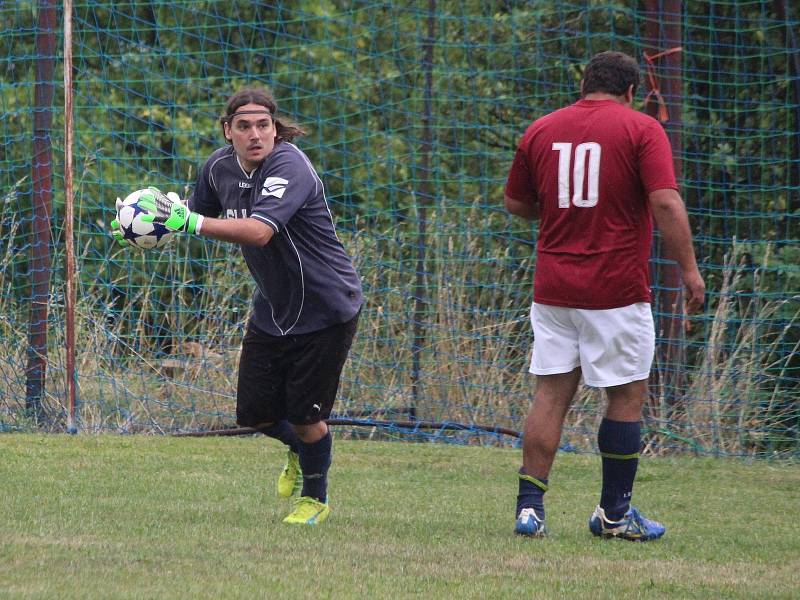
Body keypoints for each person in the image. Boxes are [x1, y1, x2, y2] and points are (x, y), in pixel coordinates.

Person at [115, 87, 363, 525]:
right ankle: (299, 448)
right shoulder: (217, 167)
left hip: (326, 307)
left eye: (263, 125)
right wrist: (150, 224)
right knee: (256, 413)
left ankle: (315, 498)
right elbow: (197, 210)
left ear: (275, 128)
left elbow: (258, 231)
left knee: (306, 417)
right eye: (244, 126)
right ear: (228, 131)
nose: (255, 134)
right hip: (274, 306)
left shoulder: (291, 165)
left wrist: (187, 223)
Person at [504, 51, 705, 540]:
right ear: (630, 91)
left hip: (552, 288)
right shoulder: (641, 129)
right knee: (626, 396)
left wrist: (557, 213)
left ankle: (530, 510)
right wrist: (690, 270)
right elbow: (664, 200)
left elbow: (515, 202)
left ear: (585, 84)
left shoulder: (542, 129)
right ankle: (614, 515)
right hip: (614, 289)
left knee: (550, 393)